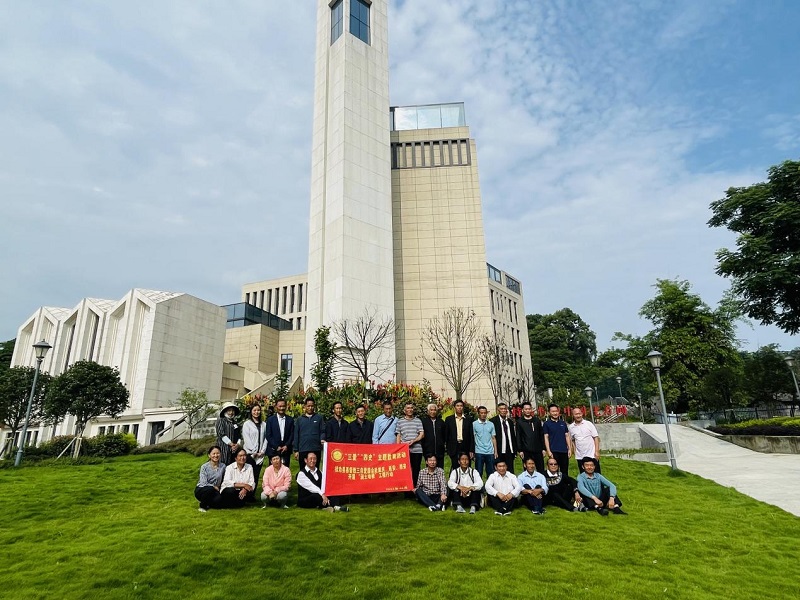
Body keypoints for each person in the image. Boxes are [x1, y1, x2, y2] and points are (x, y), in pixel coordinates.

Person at [396, 402, 425, 486]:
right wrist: (398, 448)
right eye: (408, 408)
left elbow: (422, 434)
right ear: (404, 410)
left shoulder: (418, 421)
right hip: (404, 450)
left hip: (417, 449)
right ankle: (407, 490)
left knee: (416, 469)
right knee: (406, 470)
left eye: (411, 408)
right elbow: (398, 435)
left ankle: (416, 488)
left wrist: (414, 440)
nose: (410, 410)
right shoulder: (400, 421)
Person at [516, 401, 546, 474]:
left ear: (531, 409)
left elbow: (541, 435)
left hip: (538, 450)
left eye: (529, 409)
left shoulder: (536, 420)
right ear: (522, 410)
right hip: (526, 450)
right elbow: (518, 436)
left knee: (541, 469)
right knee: (528, 470)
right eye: (526, 409)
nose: (527, 411)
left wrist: (543, 448)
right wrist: (520, 450)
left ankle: (541, 484)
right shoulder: (520, 422)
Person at [294, 398, 325, 465]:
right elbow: (296, 435)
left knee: (315, 469)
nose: (310, 408)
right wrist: (296, 450)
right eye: (308, 406)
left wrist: (322, 439)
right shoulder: (300, 419)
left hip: (316, 448)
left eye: (312, 406)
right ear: (305, 406)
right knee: (303, 470)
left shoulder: (319, 418)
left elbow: (323, 431)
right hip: (303, 448)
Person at [569, 407, 601, 474]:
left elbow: (596, 437)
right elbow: (572, 440)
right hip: (580, 456)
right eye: (576, 414)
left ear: (582, 414)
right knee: (583, 475)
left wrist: (597, 451)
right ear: (573, 415)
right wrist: (574, 451)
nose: (578, 416)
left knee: (596, 474)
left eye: (579, 414)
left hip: (592, 454)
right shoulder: (571, 427)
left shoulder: (588, 424)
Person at [242, 403, 268, 487]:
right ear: (251, 411)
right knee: (248, 475)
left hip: (260, 454)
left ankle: (252, 494)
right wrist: (254, 451)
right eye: (254, 410)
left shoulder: (264, 424)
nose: (256, 412)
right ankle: (246, 494)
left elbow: (266, 439)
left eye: (258, 410)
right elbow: (246, 439)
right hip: (250, 454)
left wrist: (262, 451)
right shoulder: (247, 424)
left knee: (256, 475)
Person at [444, 400, 474, 472]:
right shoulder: (449, 419)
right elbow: (446, 435)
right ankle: (456, 482)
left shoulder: (469, 419)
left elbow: (471, 435)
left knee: (466, 466)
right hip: (454, 446)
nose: (459, 408)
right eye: (457, 406)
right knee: (455, 467)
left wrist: (471, 450)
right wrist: (448, 449)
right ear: (454, 407)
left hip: (465, 446)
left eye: (461, 406)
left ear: (463, 407)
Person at [543, 404, 572, 476]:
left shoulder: (563, 423)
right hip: (554, 451)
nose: (555, 413)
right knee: (554, 471)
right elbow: (546, 437)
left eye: (556, 411)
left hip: (564, 450)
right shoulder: (547, 424)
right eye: (553, 411)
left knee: (564, 471)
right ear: (549, 413)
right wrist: (548, 451)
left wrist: (569, 449)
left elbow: (567, 436)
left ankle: (565, 486)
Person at [194, 445, 226, 512]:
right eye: (213, 453)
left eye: (217, 453)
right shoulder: (204, 467)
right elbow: (203, 482)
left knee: (219, 502)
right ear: (209, 455)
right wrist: (213, 487)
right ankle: (202, 507)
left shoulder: (223, 466)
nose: (216, 455)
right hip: (202, 489)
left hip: (215, 490)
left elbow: (224, 479)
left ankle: (208, 503)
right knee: (210, 489)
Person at [266, 398, 294, 467]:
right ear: (276, 407)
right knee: (273, 472)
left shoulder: (290, 420)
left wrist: (287, 445)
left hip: (286, 450)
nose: (282, 408)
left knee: (285, 471)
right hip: (273, 450)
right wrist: (276, 446)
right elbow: (268, 435)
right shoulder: (270, 420)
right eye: (280, 406)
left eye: (283, 406)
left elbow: (292, 434)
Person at [491, 402, 517, 473]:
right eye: (501, 409)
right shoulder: (493, 421)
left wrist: (514, 450)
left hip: (509, 449)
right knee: (499, 470)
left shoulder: (510, 422)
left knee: (510, 470)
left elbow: (513, 436)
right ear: (498, 410)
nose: (503, 410)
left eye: (505, 409)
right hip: (499, 450)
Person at [472, 406, 497, 480]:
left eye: (485, 413)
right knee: (479, 472)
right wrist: (473, 451)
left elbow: (493, 438)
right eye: (481, 413)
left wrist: (495, 451)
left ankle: (490, 489)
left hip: (490, 452)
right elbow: (473, 438)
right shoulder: (474, 424)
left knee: (491, 472)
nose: (483, 414)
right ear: (478, 414)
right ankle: (479, 488)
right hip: (479, 451)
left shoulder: (491, 424)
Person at [421, 403, 446, 471]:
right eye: (431, 410)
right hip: (428, 450)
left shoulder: (441, 422)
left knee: (440, 469)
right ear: (428, 411)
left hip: (439, 451)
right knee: (430, 469)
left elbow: (444, 435)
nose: (433, 412)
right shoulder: (424, 422)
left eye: (434, 410)